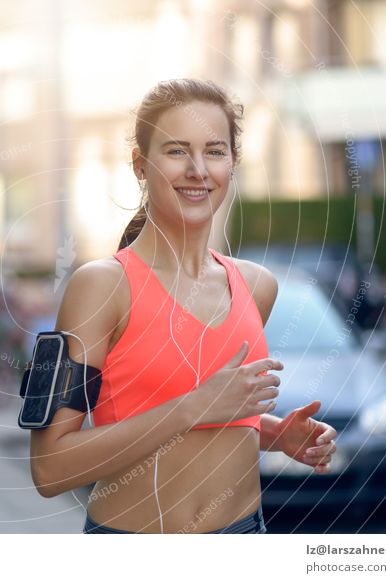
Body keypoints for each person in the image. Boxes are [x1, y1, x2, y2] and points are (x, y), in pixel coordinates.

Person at [29, 79, 338, 534]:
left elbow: (209, 410)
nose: (198, 169)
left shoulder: (256, 287)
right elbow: (51, 468)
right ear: (140, 164)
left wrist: (272, 433)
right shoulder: (101, 286)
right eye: (176, 151)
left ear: (232, 164)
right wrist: (194, 407)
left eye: (215, 151)